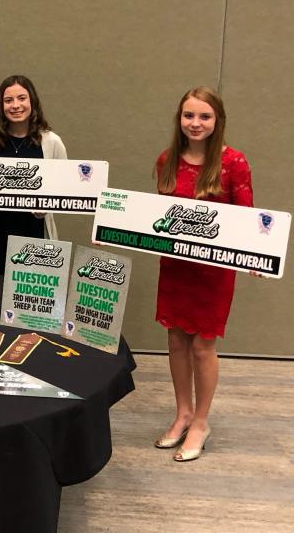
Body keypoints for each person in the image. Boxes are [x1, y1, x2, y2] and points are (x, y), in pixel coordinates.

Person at [153, 86, 254, 461]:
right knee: (177, 341)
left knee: (202, 346)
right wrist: (113, 232)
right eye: (189, 115)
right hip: (175, 268)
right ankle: (182, 414)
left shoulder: (234, 163)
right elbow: (155, 220)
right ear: (179, 119)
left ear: (217, 120)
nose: (195, 123)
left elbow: (247, 219)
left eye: (204, 116)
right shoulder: (167, 161)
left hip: (213, 274)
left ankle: (201, 421)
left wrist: (255, 258)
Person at [0, 75, 67, 273]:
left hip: (35, 234)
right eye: (8, 100)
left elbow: (64, 191)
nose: (15, 105)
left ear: (32, 101)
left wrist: (47, 208)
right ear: (1, 106)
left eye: (22, 98)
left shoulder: (52, 142)